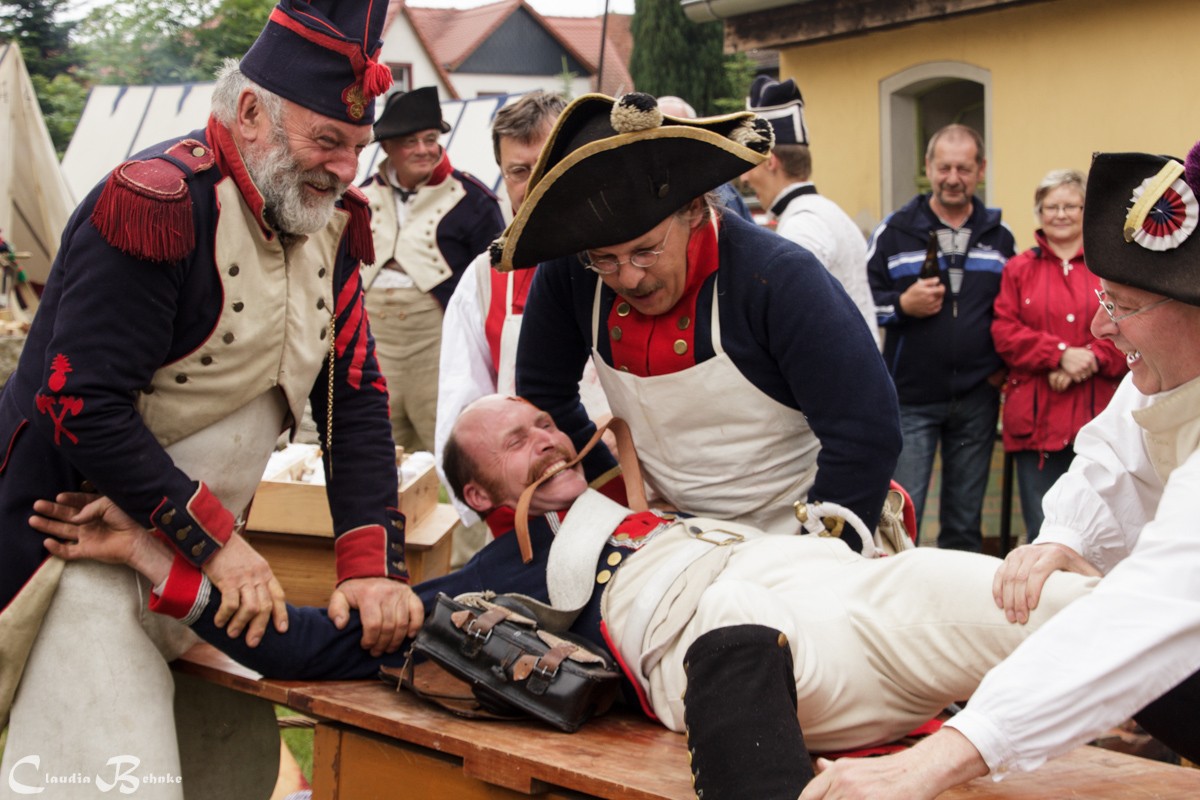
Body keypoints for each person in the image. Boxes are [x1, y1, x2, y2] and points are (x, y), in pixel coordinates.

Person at [30, 393, 1097, 799]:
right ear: (484, 496)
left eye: (542, 422)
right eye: (513, 445)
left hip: (850, 586)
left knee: (1048, 600)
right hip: (747, 649)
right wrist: (157, 562)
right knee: (737, 648)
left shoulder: (658, 489)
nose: (542, 439)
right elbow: (307, 642)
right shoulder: (499, 573)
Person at [0, 1, 421, 794]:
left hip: (198, 567)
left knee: (226, 777)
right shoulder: (156, 203)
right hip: (77, 560)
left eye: (357, 149)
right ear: (253, 112)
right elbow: (82, 403)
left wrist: (369, 566)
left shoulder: (329, 226)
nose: (343, 171)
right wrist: (218, 542)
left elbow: (354, 399)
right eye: (326, 141)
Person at [802, 144, 1200, 799]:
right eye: (1104, 296)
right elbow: (1114, 456)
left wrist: (941, 758)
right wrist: (1063, 537)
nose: (1102, 326)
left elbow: (1160, 600)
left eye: (1123, 304)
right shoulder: (1160, 372)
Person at [506, 92, 902, 541]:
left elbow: (866, 430)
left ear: (694, 208)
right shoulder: (570, 274)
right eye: (606, 260)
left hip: (800, 525)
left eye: (645, 251)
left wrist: (816, 557)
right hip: (677, 536)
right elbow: (544, 396)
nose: (630, 278)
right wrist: (616, 492)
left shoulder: (778, 278)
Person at [435, 92, 610, 547]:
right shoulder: (484, 279)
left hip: (635, 491)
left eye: (549, 161)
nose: (535, 182)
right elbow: (460, 413)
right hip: (533, 513)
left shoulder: (628, 258)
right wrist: (501, 519)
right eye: (518, 170)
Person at [867, 123, 1016, 551]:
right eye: (945, 167)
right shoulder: (893, 233)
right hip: (911, 398)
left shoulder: (1000, 238)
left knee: (964, 522)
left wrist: (999, 370)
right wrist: (901, 306)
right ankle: (900, 607)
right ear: (928, 167)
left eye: (964, 168)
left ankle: (958, 609)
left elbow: (1014, 311)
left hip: (976, 398)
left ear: (981, 169)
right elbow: (859, 307)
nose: (954, 177)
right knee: (901, 513)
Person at [359, 86, 505, 453]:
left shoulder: (474, 201)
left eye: (430, 139)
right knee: (377, 446)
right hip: (375, 344)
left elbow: (494, 281)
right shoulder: (359, 199)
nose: (424, 149)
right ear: (388, 147)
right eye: (411, 141)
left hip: (439, 346)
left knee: (449, 445)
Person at [992, 169, 1126, 541]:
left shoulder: (1109, 268)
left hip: (1098, 416)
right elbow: (1004, 332)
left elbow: (1129, 325)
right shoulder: (1018, 269)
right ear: (1039, 212)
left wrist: (1090, 359)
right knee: (1044, 528)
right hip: (1038, 422)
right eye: (1052, 206)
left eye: (1071, 205)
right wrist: (1059, 355)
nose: (1062, 214)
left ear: (1086, 210)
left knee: (1104, 529)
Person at [741, 77, 880, 348]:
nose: (744, 178)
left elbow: (798, 324)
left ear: (771, 162)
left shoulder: (803, 225)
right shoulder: (825, 211)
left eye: (750, 164)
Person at [656, 95, 755, 224]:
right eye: (662, 132)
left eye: (678, 130)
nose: (670, 142)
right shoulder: (642, 192)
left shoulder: (721, 191)